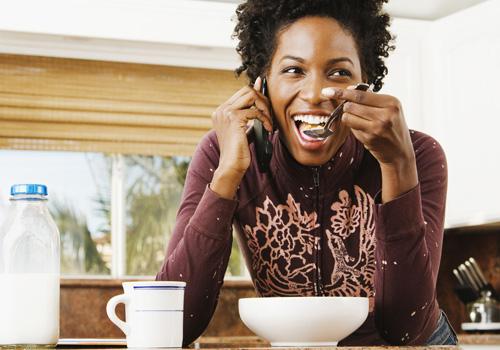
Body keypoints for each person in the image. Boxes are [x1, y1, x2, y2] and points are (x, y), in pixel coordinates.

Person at [156, 0, 458, 346]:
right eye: (293, 70)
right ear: (262, 82)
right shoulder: (224, 152)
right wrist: (227, 175)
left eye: (339, 72)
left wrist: (397, 166)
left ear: (365, 85)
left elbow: (406, 329)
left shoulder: (416, 154)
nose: (315, 94)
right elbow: (172, 327)